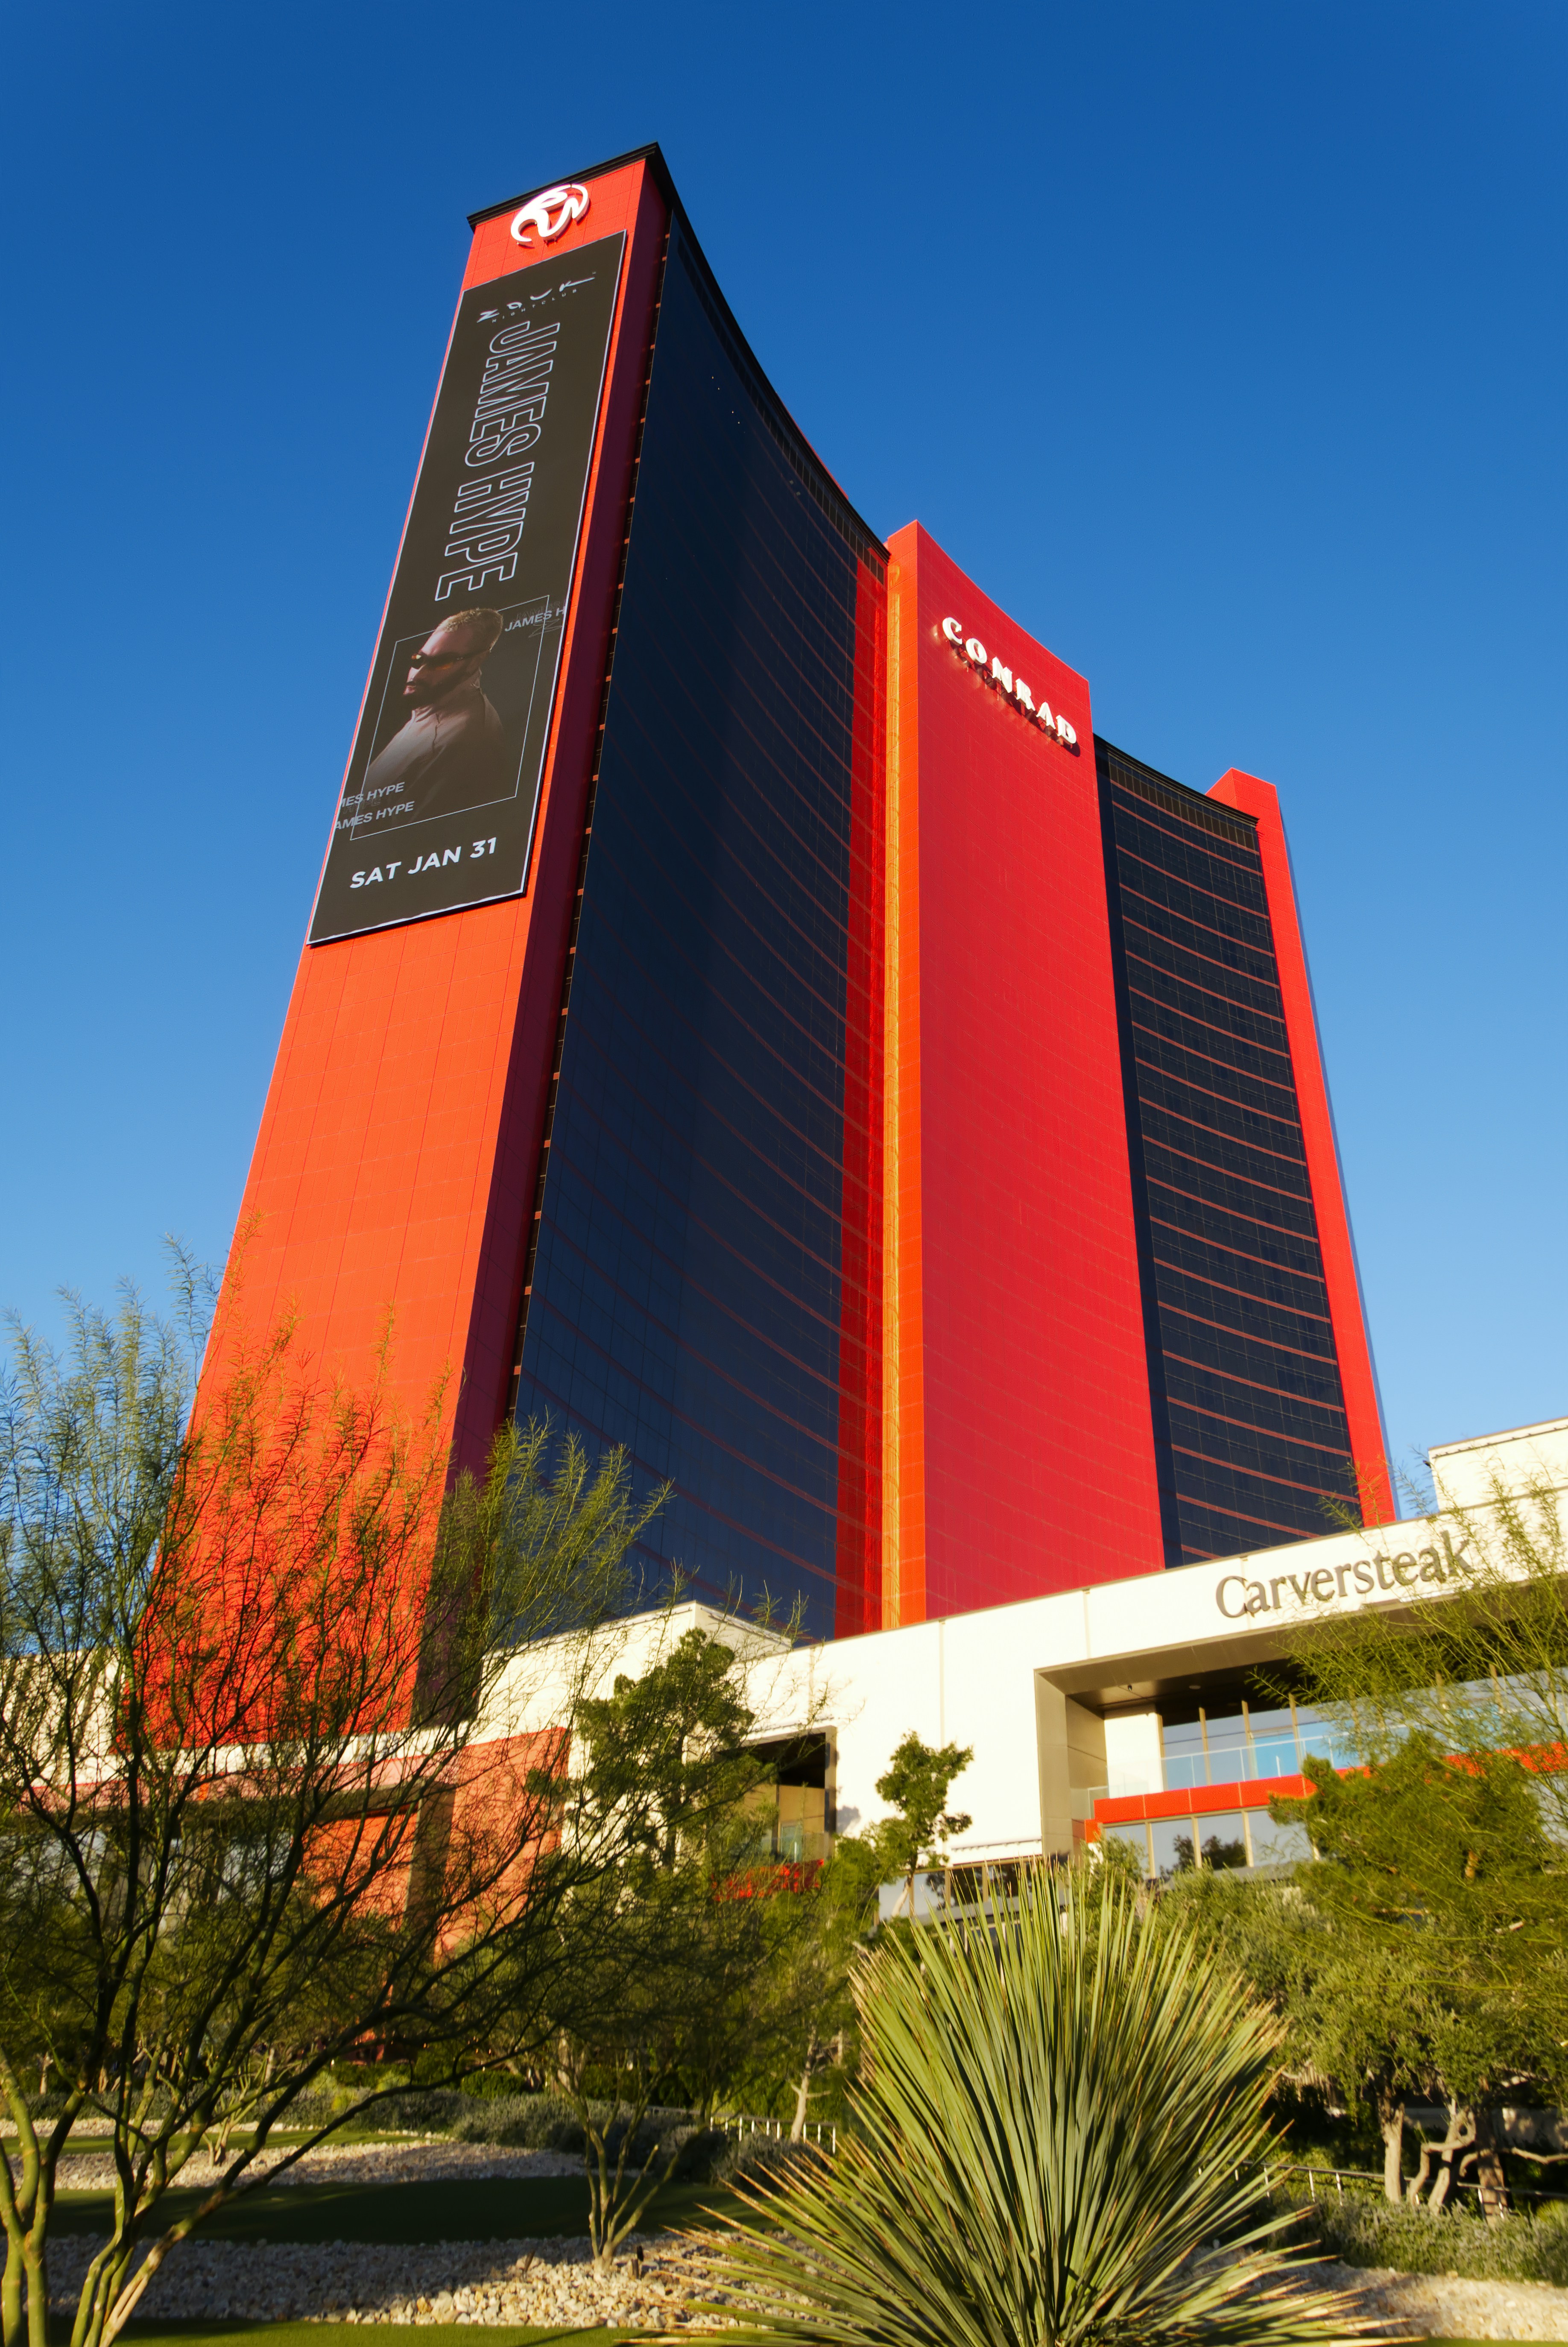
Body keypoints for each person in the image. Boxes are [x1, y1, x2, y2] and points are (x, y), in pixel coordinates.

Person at [359, 607, 511, 826]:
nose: (418, 674)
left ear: (476, 662)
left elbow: (404, 839)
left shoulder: (459, 741)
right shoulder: (429, 711)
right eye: (419, 659)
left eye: (442, 662)